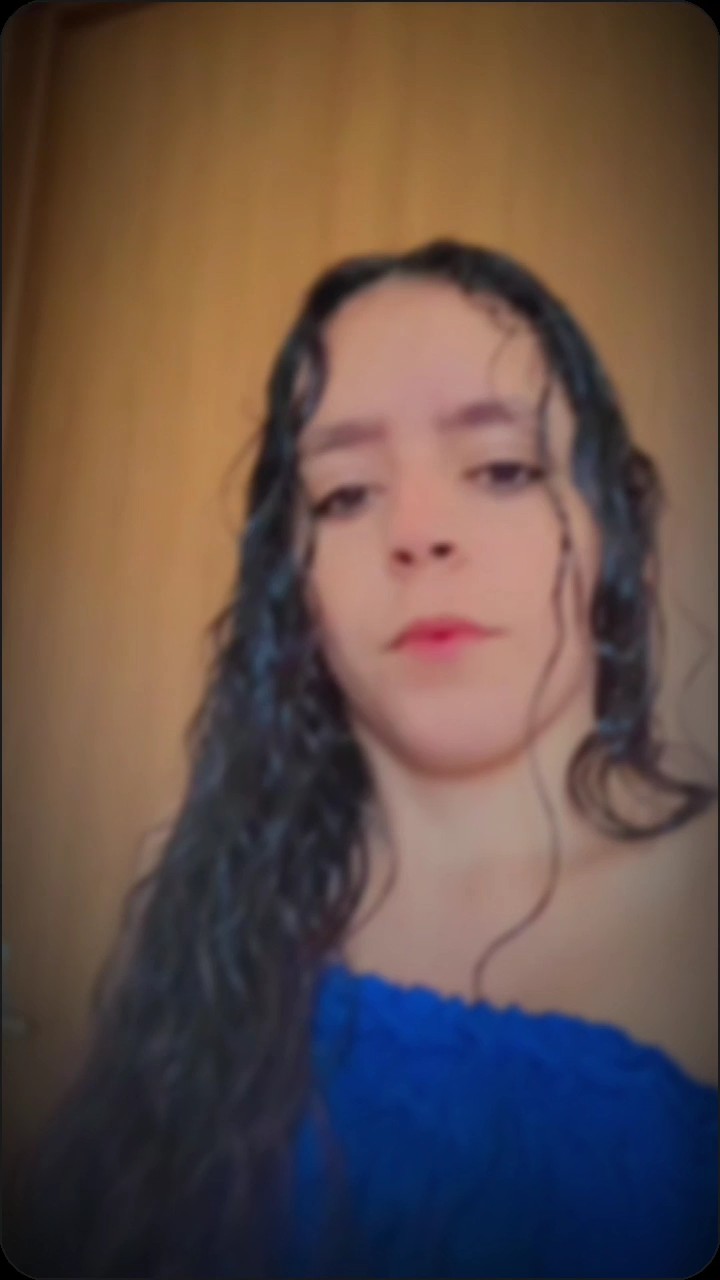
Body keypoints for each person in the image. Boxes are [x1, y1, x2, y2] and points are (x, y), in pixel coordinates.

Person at [8, 241, 717, 1279]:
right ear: (294, 588)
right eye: (345, 494)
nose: (417, 533)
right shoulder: (214, 900)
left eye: (504, 469)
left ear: (619, 533)